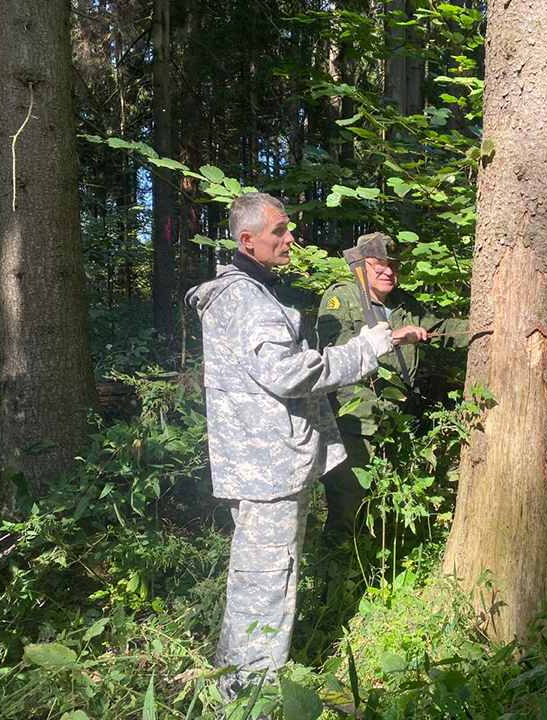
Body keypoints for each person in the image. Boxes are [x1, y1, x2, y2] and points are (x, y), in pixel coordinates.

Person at [184, 194, 424, 700]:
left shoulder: (250, 294)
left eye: (288, 229)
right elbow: (291, 374)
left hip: (268, 463)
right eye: (279, 231)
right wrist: (372, 346)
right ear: (247, 240)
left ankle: (238, 686)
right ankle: (253, 697)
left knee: (261, 579)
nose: (291, 239)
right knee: (267, 585)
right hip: (267, 469)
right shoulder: (245, 298)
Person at [316, 232, 469, 543]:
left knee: (392, 505)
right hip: (354, 424)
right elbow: (334, 348)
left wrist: (489, 327)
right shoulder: (340, 299)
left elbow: (441, 329)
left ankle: (381, 571)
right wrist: (395, 336)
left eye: (394, 266)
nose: (388, 271)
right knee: (349, 505)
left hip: (397, 421)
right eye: (379, 264)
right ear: (358, 266)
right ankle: (336, 579)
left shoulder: (404, 304)